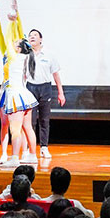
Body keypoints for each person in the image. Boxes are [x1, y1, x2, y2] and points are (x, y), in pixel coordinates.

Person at [0, 18, 38, 166]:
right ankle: (32, 155)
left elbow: (6, 39)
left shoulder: (15, 57)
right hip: (25, 95)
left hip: (15, 96)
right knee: (28, 128)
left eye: (15, 44)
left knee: (15, 129)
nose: (11, 44)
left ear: (18, 48)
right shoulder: (26, 56)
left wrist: (11, 22)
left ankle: (13, 158)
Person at [25, 29, 65, 159]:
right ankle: (29, 149)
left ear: (41, 39)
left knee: (44, 120)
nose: (32, 37)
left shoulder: (49, 55)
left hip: (45, 88)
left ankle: (44, 147)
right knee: (30, 121)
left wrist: (61, 93)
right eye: (30, 36)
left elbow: (56, 75)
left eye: (35, 35)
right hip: (30, 88)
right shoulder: (26, 54)